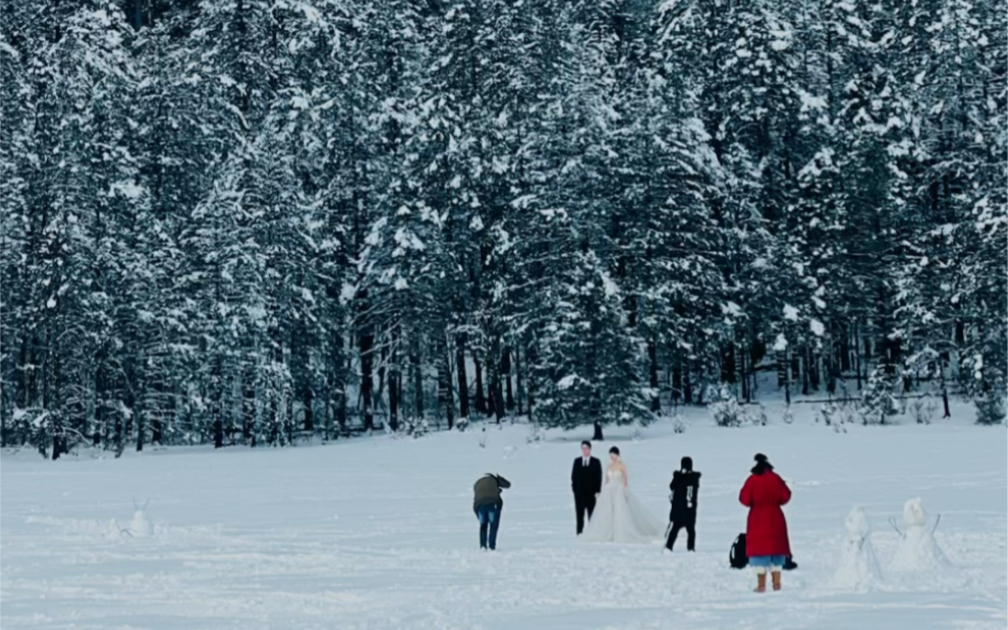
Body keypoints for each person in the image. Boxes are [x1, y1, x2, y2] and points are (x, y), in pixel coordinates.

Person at [581, 446, 664, 543]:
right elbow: (606, 480)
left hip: (619, 490)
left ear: (617, 455)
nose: (612, 457)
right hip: (609, 491)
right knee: (607, 511)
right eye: (611, 455)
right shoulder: (609, 466)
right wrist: (602, 491)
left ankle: (620, 531)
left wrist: (624, 490)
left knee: (620, 511)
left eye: (614, 455)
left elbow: (625, 479)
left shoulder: (622, 465)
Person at [739, 453, 792, 592]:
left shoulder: (752, 479)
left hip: (757, 518)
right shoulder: (776, 478)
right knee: (776, 552)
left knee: (760, 553)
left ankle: (761, 585)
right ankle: (777, 584)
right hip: (776, 517)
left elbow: (744, 499)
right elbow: (786, 496)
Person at [666, 456, 701, 552]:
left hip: (685, 508)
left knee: (687, 529)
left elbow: (674, 486)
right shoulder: (690, 478)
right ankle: (671, 547)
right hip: (683, 508)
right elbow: (672, 486)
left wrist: (678, 475)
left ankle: (688, 548)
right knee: (679, 529)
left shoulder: (690, 478)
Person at [571, 440, 603, 535]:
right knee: (579, 515)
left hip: (591, 494)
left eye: (586, 448)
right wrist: (575, 490)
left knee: (592, 515)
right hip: (579, 494)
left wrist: (597, 491)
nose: (585, 450)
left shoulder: (595, 462)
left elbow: (599, 477)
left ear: (590, 449)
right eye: (583, 448)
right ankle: (579, 533)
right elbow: (573, 477)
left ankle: (592, 533)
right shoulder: (577, 461)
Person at [473, 473, 511, 550]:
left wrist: (477, 513)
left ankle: (483, 546)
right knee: (493, 525)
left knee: (483, 525)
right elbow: (508, 485)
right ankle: (491, 546)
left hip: (479, 505)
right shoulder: (494, 481)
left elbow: (475, 501)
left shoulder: (478, 483)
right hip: (492, 504)